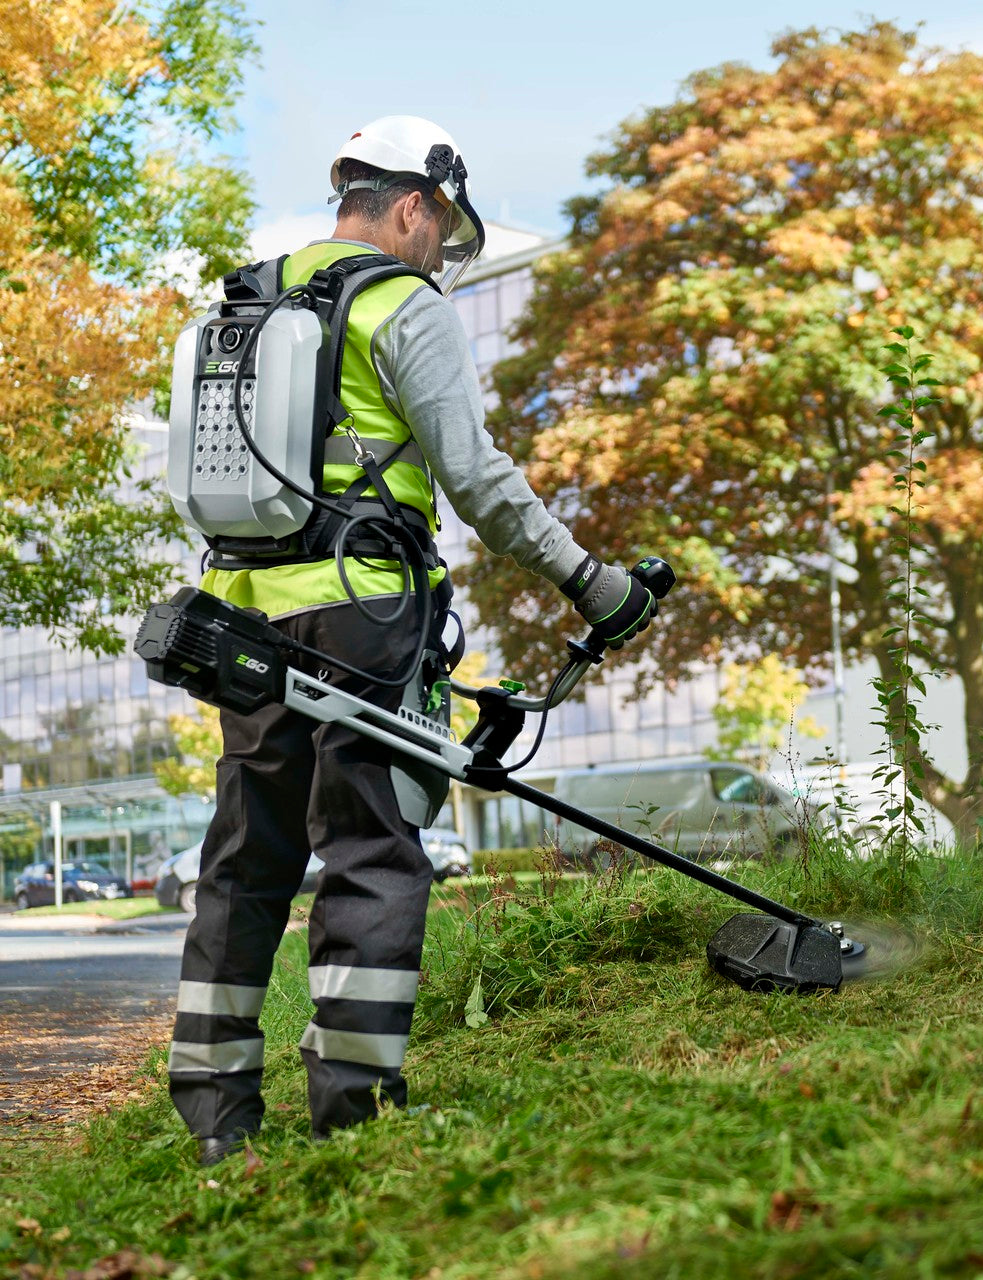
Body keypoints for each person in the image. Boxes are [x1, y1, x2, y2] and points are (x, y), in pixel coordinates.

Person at [167, 115, 656, 1166]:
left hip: (247, 617)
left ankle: (214, 1111)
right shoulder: (401, 304)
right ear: (412, 205)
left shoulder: (255, 298)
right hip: (362, 618)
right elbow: (476, 479)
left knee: (246, 857)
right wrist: (594, 583)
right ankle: (352, 1108)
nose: (442, 251)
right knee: (372, 847)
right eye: (442, 228)